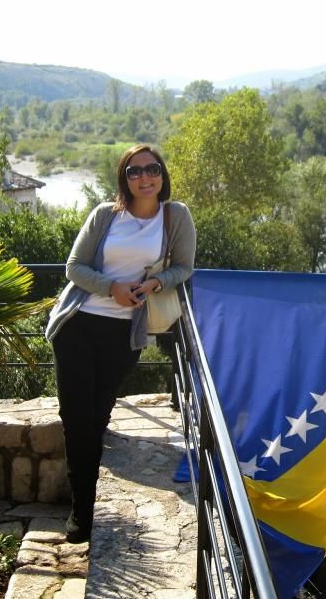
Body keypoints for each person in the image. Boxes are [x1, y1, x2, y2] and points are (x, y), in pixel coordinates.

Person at [45, 144, 196, 543]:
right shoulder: (105, 215)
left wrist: (155, 283)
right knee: (77, 418)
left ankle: (85, 496)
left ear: (162, 175)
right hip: (78, 325)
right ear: (123, 178)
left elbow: (184, 266)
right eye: (134, 171)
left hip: (123, 333)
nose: (144, 177)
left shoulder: (175, 216)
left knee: (98, 416)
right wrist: (112, 287)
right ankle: (83, 510)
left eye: (152, 169)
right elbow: (73, 268)